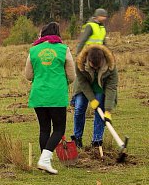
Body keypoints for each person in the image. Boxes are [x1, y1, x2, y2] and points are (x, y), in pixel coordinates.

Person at [25, 22, 75, 174]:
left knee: (44, 129)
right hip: (57, 95)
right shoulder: (63, 49)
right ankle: (45, 160)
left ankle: (43, 162)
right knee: (59, 129)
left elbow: (28, 76)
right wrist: (61, 82)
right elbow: (72, 76)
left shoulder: (33, 50)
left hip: (38, 94)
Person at [71, 44, 118, 148]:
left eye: (98, 66)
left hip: (100, 87)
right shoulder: (80, 62)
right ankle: (77, 139)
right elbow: (82, 83)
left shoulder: (111, 65)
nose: (96, 68)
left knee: (100, 111)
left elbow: (111, 87)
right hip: (83, 87)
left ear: (103, 60)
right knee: (79, 109)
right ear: (88, 60)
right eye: (93, 66)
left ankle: (97, 141)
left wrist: (108, 110)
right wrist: (92, 99)